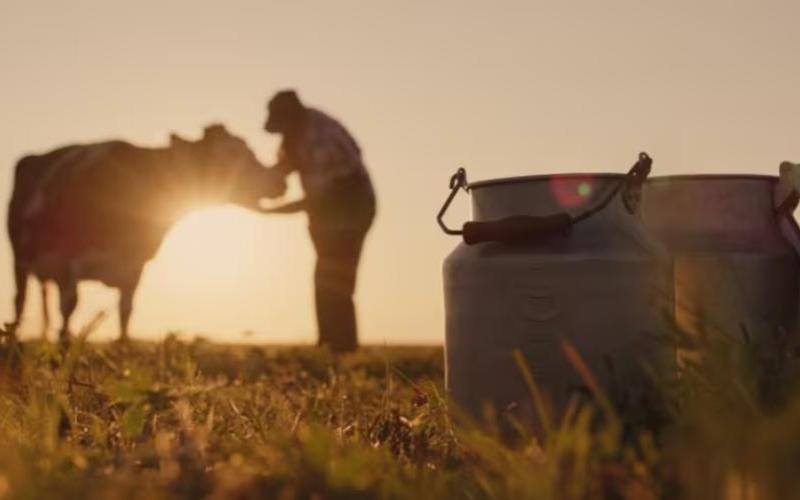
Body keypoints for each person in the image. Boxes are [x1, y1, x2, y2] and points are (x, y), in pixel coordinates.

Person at [262, 90, 376, 353]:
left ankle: (341, 348)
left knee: (336, 280)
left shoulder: (322, 139)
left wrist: (271, 210)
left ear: (291, 118)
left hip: (350, 212)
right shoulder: (294, 136)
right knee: (326, 278)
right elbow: (280, 172)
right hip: (327, 217)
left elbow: (322, 198)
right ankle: (330, 345)